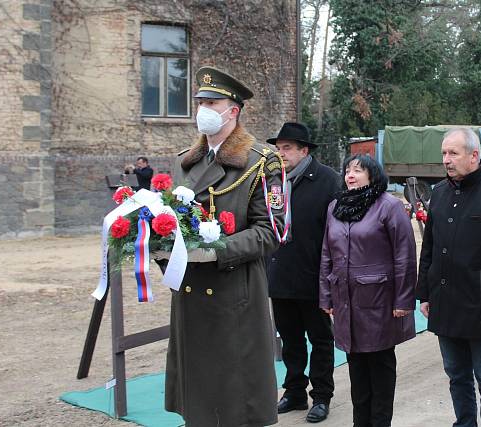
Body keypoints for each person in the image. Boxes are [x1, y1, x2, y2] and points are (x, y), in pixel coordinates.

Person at [166, 67, 285, 426]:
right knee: (199, 402)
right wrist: (160, 245)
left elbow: (273, 231)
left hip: (234, 292)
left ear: (232, 110)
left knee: (235, 403)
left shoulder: (261, 161)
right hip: (191, 295)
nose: (202, 108)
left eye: (211, 102)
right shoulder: (185, 161)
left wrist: (217, 249)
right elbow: (171, 220)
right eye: (199, 101)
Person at [416, 128, 481, 427]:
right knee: (456, 376)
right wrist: (425, 293)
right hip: (446, 303)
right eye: (444, 154)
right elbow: (431, 248)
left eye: (453, 153)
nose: (446, 160)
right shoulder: (439, 193)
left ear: (474, 156)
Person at [319, 154, 417, 427]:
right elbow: (327, 253)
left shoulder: (389, 206)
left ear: (373, 175)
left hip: (380, 300)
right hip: (345, 300)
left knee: (380, 366)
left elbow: (405, 255)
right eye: (348, 170)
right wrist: (326, 295)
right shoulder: (336, 207)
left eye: (358, 170)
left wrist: (404, 299)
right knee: (357, 368)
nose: (351, 174)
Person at [267, 122, 341, 423]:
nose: (281, 153)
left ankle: (321, 396)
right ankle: (294, 391)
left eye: (287, 148)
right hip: (281, 274)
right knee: (290, 339)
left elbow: (339, 233)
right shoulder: (273, 180)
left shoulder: (328, 181)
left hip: (315, 277)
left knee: (321, 340)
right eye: (278, 148)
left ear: (304, 150)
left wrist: (333, 276)